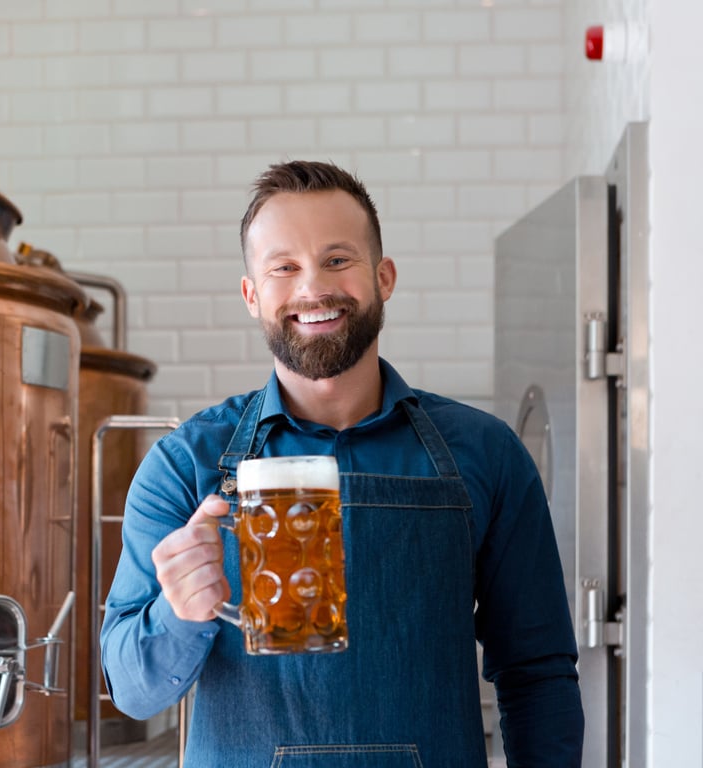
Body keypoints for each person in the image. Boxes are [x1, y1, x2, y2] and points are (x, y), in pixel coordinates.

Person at [99, 160, 584, 767]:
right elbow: (131, 692)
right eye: (284, 267)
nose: (312, 288)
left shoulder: (486, 454)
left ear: (383, 277)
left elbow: (537, 674)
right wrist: (177, 614)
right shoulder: (185, 464)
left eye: (337, 260)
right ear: (252, 295)